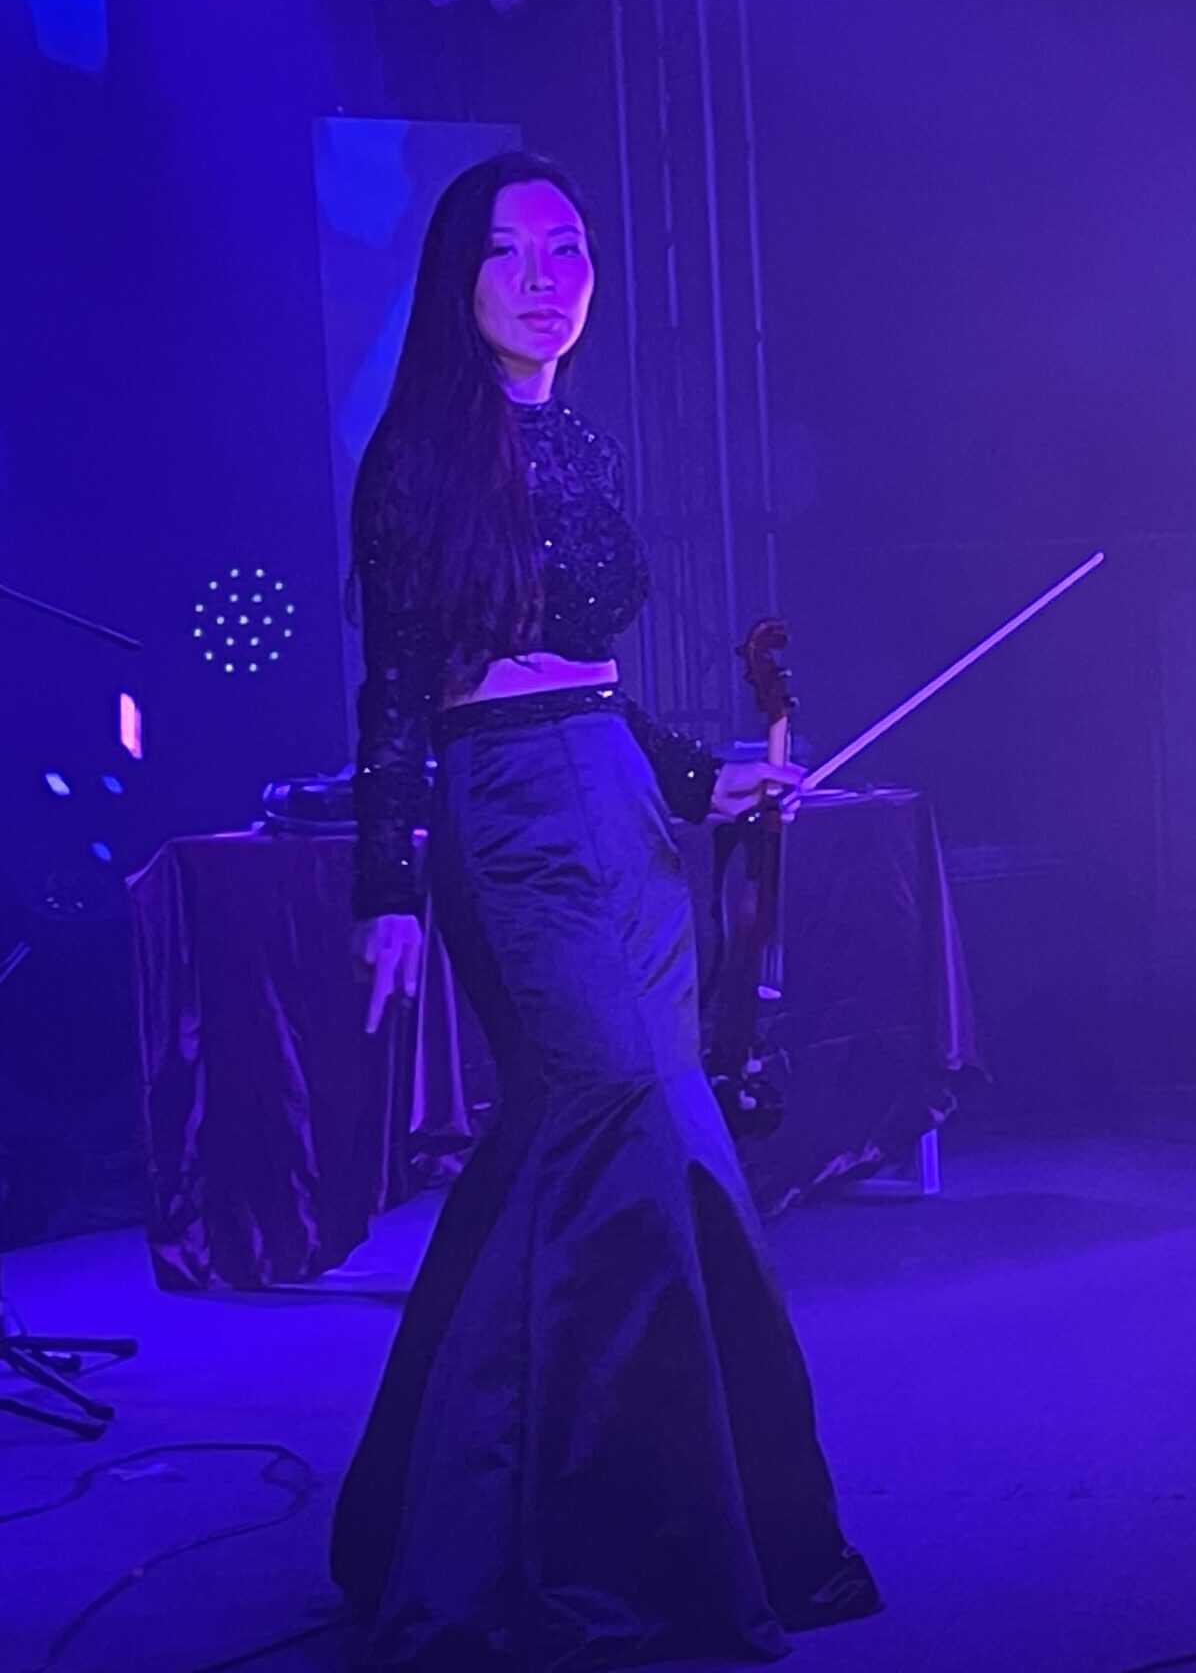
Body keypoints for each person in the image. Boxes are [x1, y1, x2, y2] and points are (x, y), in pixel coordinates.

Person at [331, 151, 879, 1669]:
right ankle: (515, 1547)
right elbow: (397, 693)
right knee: (623, 1124)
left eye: (566, 250)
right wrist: (386, 886)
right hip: (508, 817)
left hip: (618, 813)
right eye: (509, 254)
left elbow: (597, 688)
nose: (544, 278)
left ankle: (577, 1522)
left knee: (613, 1140)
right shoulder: (418, 459)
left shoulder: (579, 439)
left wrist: (703, 778)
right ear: (459, 280)